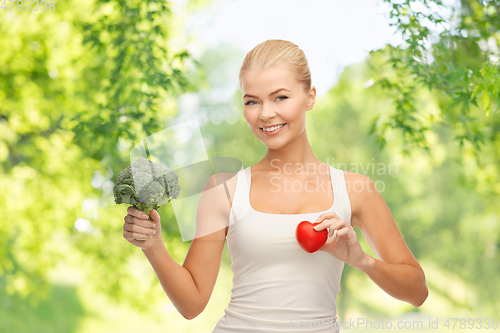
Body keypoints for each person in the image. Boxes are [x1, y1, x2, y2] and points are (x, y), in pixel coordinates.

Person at [122, 39, 428, 332]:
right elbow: (192, 304)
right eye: (252, 101)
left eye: (280, 97)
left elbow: (417, 291)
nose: (265, 113)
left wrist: (362, 261)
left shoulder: (355, 189)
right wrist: (154, 247)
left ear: (310, 96)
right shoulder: (223, 189)